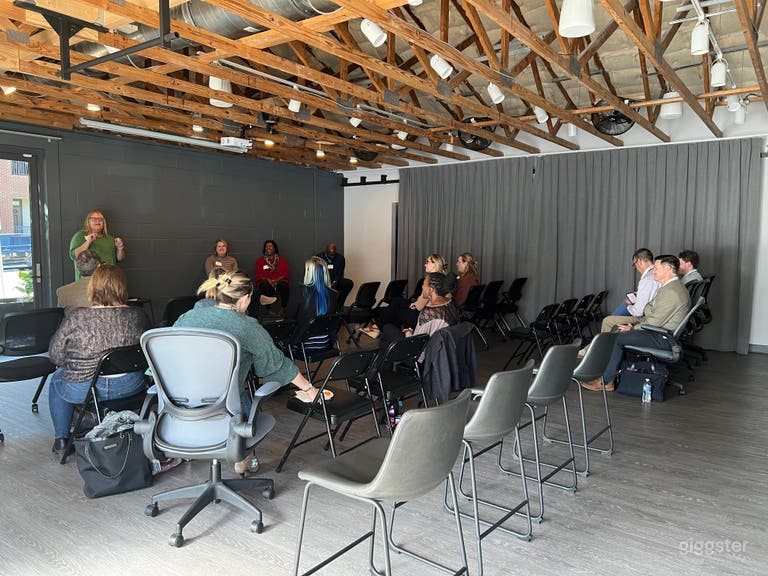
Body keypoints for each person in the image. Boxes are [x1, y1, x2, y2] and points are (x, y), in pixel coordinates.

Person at [48, 264, 151, 457]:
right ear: (122, 286)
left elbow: (55, 356)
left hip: (85, 390)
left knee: (57, 377)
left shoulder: (77, 317)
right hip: (131, 385)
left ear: (92, 286)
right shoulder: (138, 315)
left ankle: (62, 440)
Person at [581, 255, 691, 392]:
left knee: (615, 338)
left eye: (656, 268)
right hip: (657, 331)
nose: (654, 272)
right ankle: (611, 371)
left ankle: (606, 381)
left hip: (660, 336)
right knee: (617, 331)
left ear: (667, 269)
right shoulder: (671, 287)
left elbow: (654, 321)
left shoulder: (672, 292)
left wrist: (633, 327)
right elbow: (652, 313)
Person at [360, 253, 450, 339]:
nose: (425, 265)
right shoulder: (442, 279)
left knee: (395, 310)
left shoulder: (432, 282)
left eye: (427, 262)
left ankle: (378, 327)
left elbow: (420, 306)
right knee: (396, 301)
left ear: (435, 264)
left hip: (421, 314)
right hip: (424, 310)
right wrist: (414, 304)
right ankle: (380, 328)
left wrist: (413, 305)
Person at [379, 272, 459, 351]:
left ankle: (383, 361)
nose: (422, 287)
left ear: (431, 290)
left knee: (387, 328)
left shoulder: (428, 312)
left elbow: (415, 342)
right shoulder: (450, 304)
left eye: (424, 284)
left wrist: (408, 331)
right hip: (443, 351)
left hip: (419, 356)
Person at [601, 248, 661, 333]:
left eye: (635, 264)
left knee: (608, 320)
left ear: (639, 261)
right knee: (626, 303)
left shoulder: (647, 279)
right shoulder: (655, 275)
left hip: (644, 317)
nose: (636, 267)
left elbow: (638, 312)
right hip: (651, 313)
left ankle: (602, 345)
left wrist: (629, 305)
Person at [285, 257, 338, 351]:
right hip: (326, 342)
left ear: (308, 272)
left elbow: (288, 319)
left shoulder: (300, 291)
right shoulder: (333, 294)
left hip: (303, 344)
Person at [69, 210, 125, 280]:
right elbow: (73, 256)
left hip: (109, 280)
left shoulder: (109, 238)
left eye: (100, 219)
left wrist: (120, 248)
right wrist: (88, 241)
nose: (97, 221)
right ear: (88, 221)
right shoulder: (80, 236)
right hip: (88, 281)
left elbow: (119, 259)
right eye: (94, 219)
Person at [56, 249, 102, 314]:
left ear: (77, 267)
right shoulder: (111, 290)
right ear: (99, 266)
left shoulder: (62, 292)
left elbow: (61, 320)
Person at [254, 239, 290, 307]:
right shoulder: (260, 261)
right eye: (266, 247)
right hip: (266, 282)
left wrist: (276, 281)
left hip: (279, 281)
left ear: (275, 248)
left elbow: (286, 273)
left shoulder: (282, 260)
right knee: (266, 286)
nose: (268, 248)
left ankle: (282, 308)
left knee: (284, 287)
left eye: (270, 246)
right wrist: (268, 280)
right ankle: (269, 309)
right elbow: (258, 274)